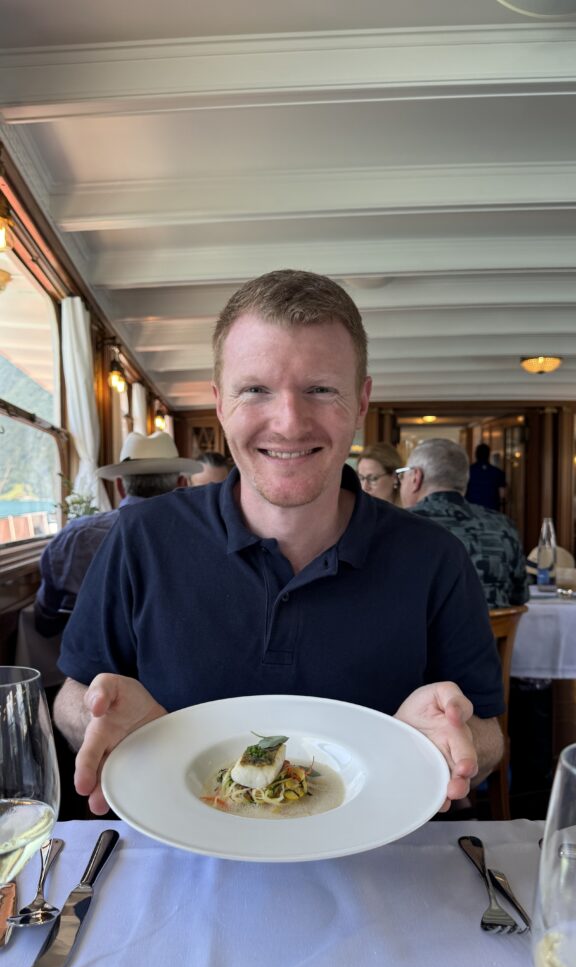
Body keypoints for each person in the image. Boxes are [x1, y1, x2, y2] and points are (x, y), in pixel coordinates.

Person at [53, 269, 504, 816]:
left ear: (360, 402)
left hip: (377, 865)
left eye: (320, 389)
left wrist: (448, 743)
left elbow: (487, 734)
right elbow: (73, 696)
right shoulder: (142, 537)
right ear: (221, 404)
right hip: (179, 858)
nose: (289, 423)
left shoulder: (435, 557)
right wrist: (97, 716)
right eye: (256, 390)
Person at [35, 431, 200, 637]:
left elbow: (46, 620)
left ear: (121, 486)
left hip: (90, 660)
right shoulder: (201, 537)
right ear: (182, 484)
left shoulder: (75, 536)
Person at [398, 437, 528, 608]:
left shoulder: (399, 528)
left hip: (422, 634)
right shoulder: (504, 526)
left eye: (402, 475)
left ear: (416, 477)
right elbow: (520, 596)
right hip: (492, 634)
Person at [466, 443, 507, 512]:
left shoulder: (468, 471)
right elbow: (502, 495)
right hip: (491, 511)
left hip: (472, 511)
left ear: (476, 455)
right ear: (488, 455)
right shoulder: (497, 472)